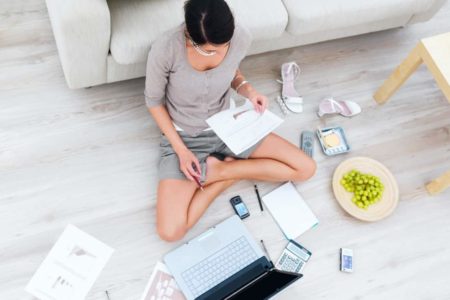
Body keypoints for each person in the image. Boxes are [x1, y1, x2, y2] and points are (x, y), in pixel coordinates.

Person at [145, 0, 316, 242]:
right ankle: (227, 175)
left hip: (230, 125)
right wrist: (181, 151)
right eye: (207, 50)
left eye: (221, 48)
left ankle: (223, 170)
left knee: (306, 168)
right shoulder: (165, 48)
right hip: (185, 136)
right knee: (170, 231)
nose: (216, 55)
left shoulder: (240, 36)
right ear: (188, 33)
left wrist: (248, 91)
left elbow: (232, 71)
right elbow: (153, 101)